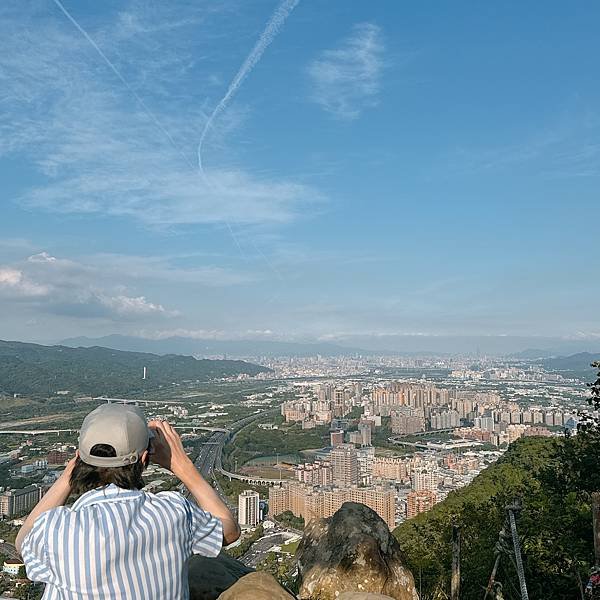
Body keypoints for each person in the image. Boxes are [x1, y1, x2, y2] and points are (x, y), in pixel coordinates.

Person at [15, 403, 240, 599]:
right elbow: (229, 530)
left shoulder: (57, 528)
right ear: (144, 459)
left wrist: (69, 475)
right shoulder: (173, 512)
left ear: (80, 459)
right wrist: (182, 466)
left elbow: (22, 543)